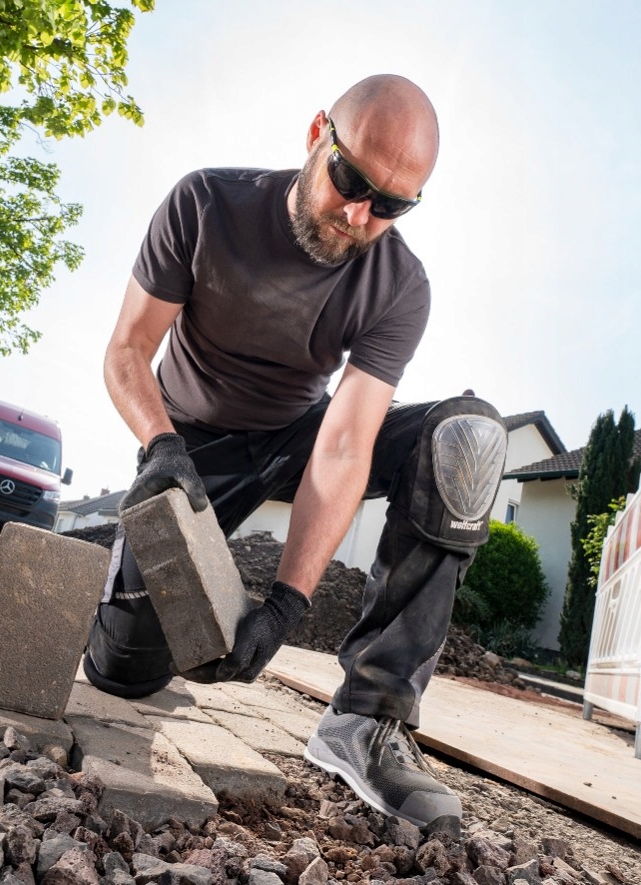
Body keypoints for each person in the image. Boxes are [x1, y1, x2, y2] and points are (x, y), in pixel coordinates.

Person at [82, 74, 507, 837]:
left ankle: (366, 718)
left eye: (390, 205)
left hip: (299, 436)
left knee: (464, 438)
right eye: (349, 179)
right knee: (121, 672)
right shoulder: (206, 202)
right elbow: (126, 353)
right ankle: (136, 621)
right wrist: (161, 445)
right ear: (317, 133)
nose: (357, 214)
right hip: (189, 447)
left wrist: (287, 603)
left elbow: (345, 443)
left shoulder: (398, 283)